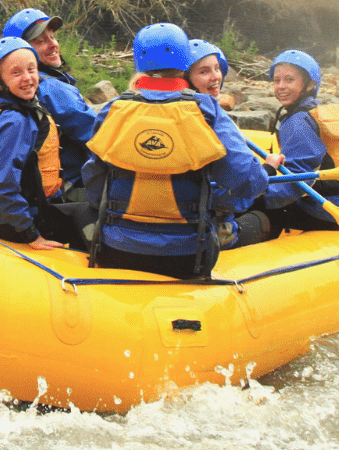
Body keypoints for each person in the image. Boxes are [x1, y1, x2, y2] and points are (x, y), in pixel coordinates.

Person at [83, 23, 268, 279]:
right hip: (187, 258)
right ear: (185, 64)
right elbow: (249, 181)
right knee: (257, 220)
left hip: (117, 249)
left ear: (139, 63)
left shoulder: (114, 109)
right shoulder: (206, 110)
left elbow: (93, 178)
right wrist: (219, 205)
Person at [0, 36, 88, 249]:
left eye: (32, 70)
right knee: (90, 215)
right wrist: (31, 236)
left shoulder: (10, 109)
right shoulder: (15, 121)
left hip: (15, 213)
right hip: (15, 222)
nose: (28, 78)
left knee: (76, 207)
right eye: (16, 73)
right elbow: (0, 185)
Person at [264, 49, 339, 235]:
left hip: (326, 210)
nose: (281, 86)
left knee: (254, 207)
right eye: (277, 80)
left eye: (290, 80)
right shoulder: (322, 111)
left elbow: (296, 180)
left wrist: (255, 196)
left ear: (310, 85)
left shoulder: (297, 122)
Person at [2, 7, 97, 196]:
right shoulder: (52, 88)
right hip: (69, 188)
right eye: (41, 41)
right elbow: (99, 136)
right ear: (23, 51)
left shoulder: (7, 86)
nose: (53, 45)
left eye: (52, 37)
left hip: (31, 189)